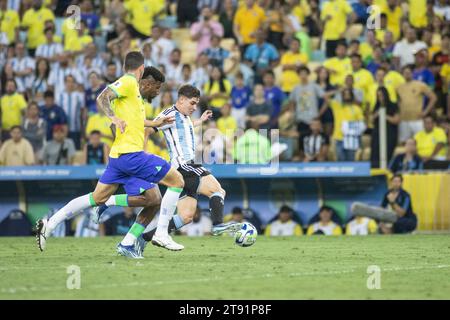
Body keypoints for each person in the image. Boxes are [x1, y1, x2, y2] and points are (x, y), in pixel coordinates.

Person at [36, 55, 184, 258]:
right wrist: (113, 117)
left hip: (118, 158)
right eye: (156, 87)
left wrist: (154, 124)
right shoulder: (129, 81)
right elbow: (102, 97)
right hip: (132, 156)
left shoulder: (134, 94)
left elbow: (135, 121)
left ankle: (50, 224)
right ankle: (161, 234)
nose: (157, 92)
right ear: (142, 71)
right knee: (177, 181)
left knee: (130, 199)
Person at [122, 85, 242, 254]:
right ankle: (218, 225)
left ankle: (143, 238)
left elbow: (184, 127)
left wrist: (200, 120)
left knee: (185, 217)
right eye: (192, 103)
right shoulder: (169, 114)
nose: (194, 107)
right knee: (217, 190)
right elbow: (148, 130)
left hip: (183, 170)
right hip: (184, 165)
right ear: (181, 99)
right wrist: (143, 154)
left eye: (196, 104)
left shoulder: (185, 117)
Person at [397, 65, 437, 143]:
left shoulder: (420, 85)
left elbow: (433, 98)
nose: (407, 74)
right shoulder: (399, 87)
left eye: (409, 73)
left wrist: (425, 112)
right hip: (404, 120)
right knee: (403, 143)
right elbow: (397, 101)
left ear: (412, 73)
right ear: (402, 74)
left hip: (417, 119)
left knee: (421, 141)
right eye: (405, 73)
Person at [289, 66, 326, 140]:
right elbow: (292, 102)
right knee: (301, 143)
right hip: (300, 119)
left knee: (313, 142)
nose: (303, 76)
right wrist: (293, 114)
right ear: (298, 75)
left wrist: (320, 113)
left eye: (305, 74)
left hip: (313, 120)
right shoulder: (295, 88)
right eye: (301, 74)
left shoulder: (314, 86)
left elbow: (326, 99)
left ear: (308, 74)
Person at [370, 86, 400, 168]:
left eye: (382, 95)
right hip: (377, 134)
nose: (380, 98)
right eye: (378, 96)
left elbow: (396, 120)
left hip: (390, 133)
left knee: (388, 154)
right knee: (375, 154)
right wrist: (377, 114)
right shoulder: (376, 106)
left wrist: (384, 116)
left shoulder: (393, 105)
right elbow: (371, 120)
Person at [55, 75, 86, 149]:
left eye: (72, 82)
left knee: (75, 151)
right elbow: (57, 113)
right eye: (68, 81)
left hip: (75, 128)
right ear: (65, 83)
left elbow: (82, 114)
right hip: (61, 130)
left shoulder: (79, 96)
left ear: (74, 83)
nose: (70, 84)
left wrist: (82, 131)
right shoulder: (59, 96)